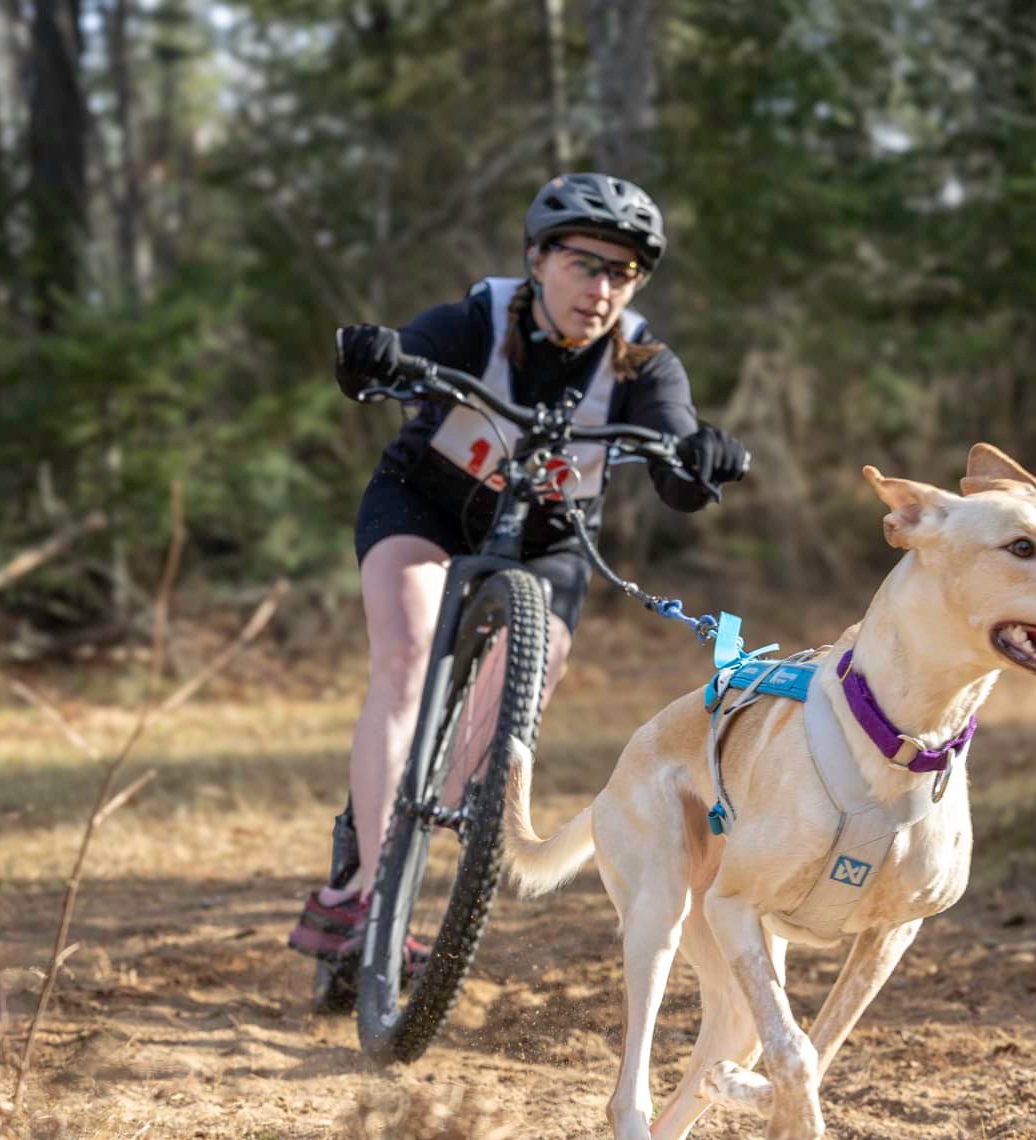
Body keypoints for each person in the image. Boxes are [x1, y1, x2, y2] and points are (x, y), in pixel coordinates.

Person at [286, 172, 750, 967]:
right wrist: (373, 358)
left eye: (624, 272)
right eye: (586, 263)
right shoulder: (478, 320)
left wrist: (698, 456)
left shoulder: (643, 365)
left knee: (525, 680)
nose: (603, 289)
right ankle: (361, 893)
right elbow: (393, 362)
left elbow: (676, 463)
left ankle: (444, 824)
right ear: (538, 258)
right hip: (424, 506)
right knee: (405, 655)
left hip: (551, 538)